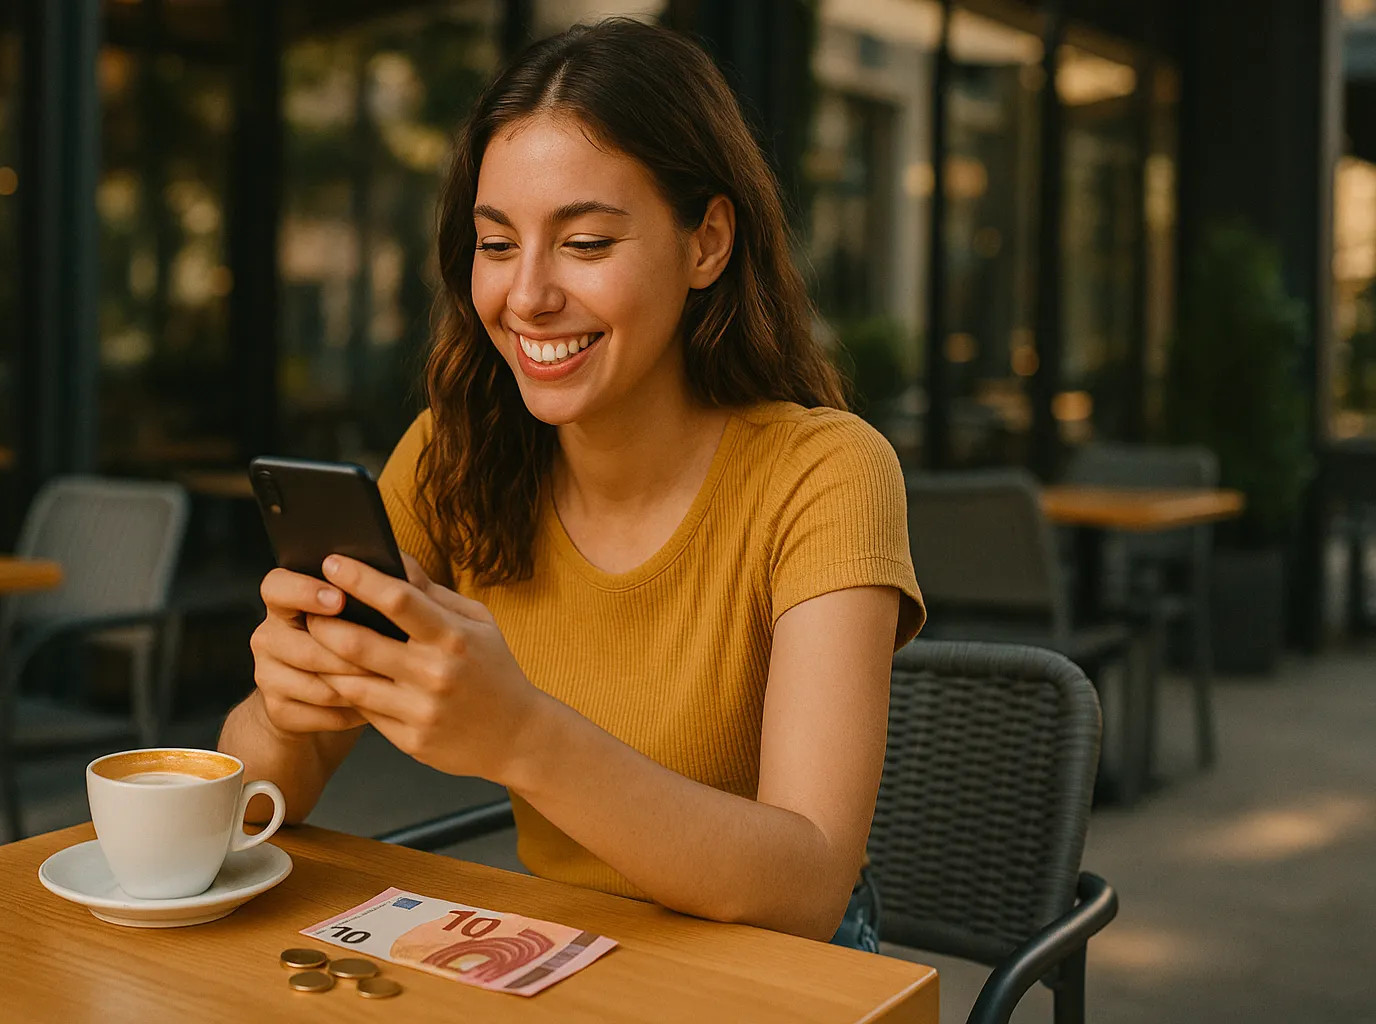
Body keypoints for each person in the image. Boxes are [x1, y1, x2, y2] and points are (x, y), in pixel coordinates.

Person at [219, 18, 924, 948]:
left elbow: (806, 886)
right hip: (562, 953)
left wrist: (521, 736)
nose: (528, 297)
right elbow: (257, 803)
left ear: (707, 242)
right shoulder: (452, 456)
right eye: (498, 243)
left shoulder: (825, 474)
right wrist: (283, 707)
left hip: (782, 974)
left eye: (586, 242)